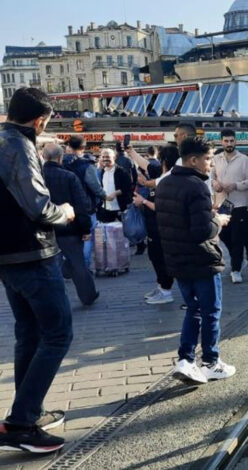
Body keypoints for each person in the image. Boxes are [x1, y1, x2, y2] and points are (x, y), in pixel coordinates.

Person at [0, 87, 76, 453]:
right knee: (58, 334)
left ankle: (27, 410)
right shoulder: (18, 146)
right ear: (40, 120)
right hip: (33, 253)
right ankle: (21, 423)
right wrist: (65, 212)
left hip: (8, 258)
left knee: (28, 333)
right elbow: (38, 206)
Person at [156, 137, 235, 383]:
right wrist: (218, 220)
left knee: (194, 309)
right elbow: (203, 231)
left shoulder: (165, 183)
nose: (210, 164)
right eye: (208, 158)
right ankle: (211, 361)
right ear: (193, 159)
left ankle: (186, 359)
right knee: (211, 310)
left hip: (177, 259)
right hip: (202, 259)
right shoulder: (197, 186)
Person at [41, 143, 98, 306]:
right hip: (69, 227)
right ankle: (88, 296)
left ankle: (52, 300)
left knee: (48, 266)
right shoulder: (69, 176)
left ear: (44, 156)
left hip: (44, 229)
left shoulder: (36, 176)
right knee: (77, 262)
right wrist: (85, 228)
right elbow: (81, 204)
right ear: (60, 158)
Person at [132, 145, 178, 305]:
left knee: (161, 257)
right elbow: (145, 164)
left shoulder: (169, 180)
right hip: (154, 225)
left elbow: (162, 206)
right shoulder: (161, 174)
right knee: (154, 256)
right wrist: (130, 150)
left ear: (164, 160)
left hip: (163, 226)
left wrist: (142, 201)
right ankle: (161, 286)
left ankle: (166, 290)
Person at [212, 129, 248, 283]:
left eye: (231, 141)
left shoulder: (244, 159)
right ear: (221, 141)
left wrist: (236, 185)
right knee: (223, 235)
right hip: (223, 204)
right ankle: (238, 257)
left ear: (235, 141)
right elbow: (212, 176)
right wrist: (215, 184)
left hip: (240, 204)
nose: (229, 144)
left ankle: (236, 269)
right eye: (226, 141)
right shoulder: (216, 159)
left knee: (237, 237)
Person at [63, 136, 105, 270]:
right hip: (86, 208)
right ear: (83, 148)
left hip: (65, 208)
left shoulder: (60, 163)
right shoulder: (87, 165)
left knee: (69, 239)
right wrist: (105, 196)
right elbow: (95, 187)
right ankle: (84, 269)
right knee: (86, 239)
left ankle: (70, 265)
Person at [96, 148, 132, 223]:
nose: (105, 159)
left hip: (119, 209)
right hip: (105, 208)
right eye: (103, 157)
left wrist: (115, 193)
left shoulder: (122, 171)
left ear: (114, 157)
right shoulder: (102, 171)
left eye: (108, 157)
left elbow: (128, 187)